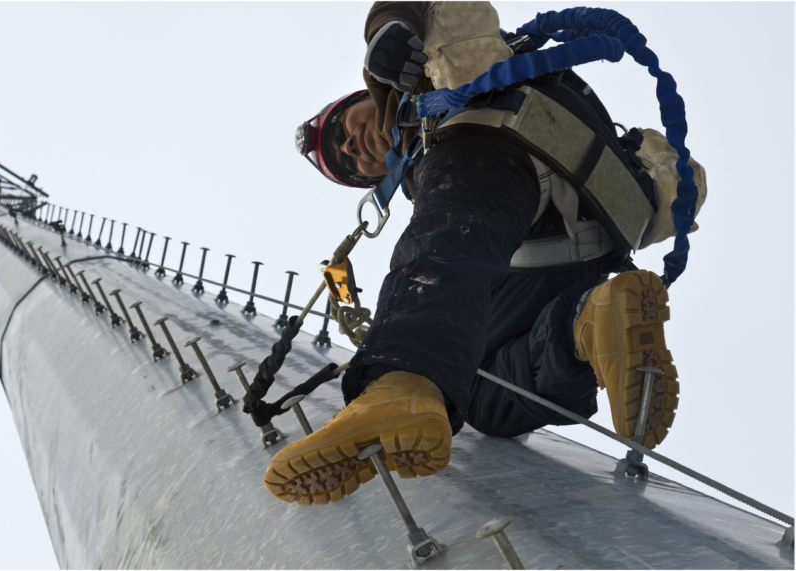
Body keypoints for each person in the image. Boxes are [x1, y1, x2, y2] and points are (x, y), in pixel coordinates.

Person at [265, 1, 690, 506]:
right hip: (575, 247)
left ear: (362, 100)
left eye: (342, 129)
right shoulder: (418, 159)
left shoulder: (408, 82)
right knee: (482, 396)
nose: (351, 145)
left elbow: (409, 7)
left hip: (503, 146)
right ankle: (588, 323)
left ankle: (400, 380)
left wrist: (387, 29)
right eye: (347, 162)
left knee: (440, 245)